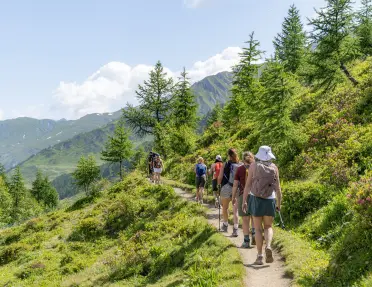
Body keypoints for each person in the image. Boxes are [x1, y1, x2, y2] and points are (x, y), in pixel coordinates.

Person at [242, 146, 282, 265]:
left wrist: (244, 200)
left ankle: (259, 256)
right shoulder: (274, 167)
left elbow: (248, 185)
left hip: (256, 198)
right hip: (270, 199)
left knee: (258, 229)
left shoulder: (253, 166)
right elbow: (278, 188)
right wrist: (278, 203)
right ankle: (268, 246)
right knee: (268, 227)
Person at [232, 151, 255, 246]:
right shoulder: (256, 167)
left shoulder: (239, 169)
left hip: (242, 195)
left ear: (242, 159)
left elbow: (235, 185)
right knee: (254, 218)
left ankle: (246, 241)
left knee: (245, 220)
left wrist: (233, 197)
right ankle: (254, 234)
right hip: (255, 195)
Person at [217, 148, 242, 233]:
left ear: (229, 155)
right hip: (237, 189)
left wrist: (219, 184)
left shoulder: (226, 164)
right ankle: (235, 229)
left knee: (225, 208)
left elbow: (220, 178)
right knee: (236, 210)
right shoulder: (240, 164)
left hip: (226, 188)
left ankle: (225, 225)